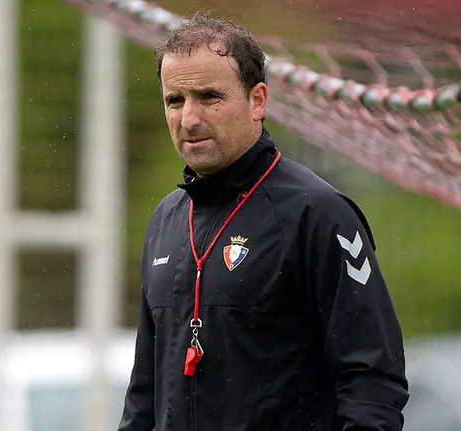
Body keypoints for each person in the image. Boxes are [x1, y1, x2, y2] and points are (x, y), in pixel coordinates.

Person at [118, 11, 409, 431]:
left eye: (209, 97)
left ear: (257, 101)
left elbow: (373, 380)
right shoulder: (166, 220)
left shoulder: (319, 214)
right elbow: (144, 392)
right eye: (175, 100)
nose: (189, 119)